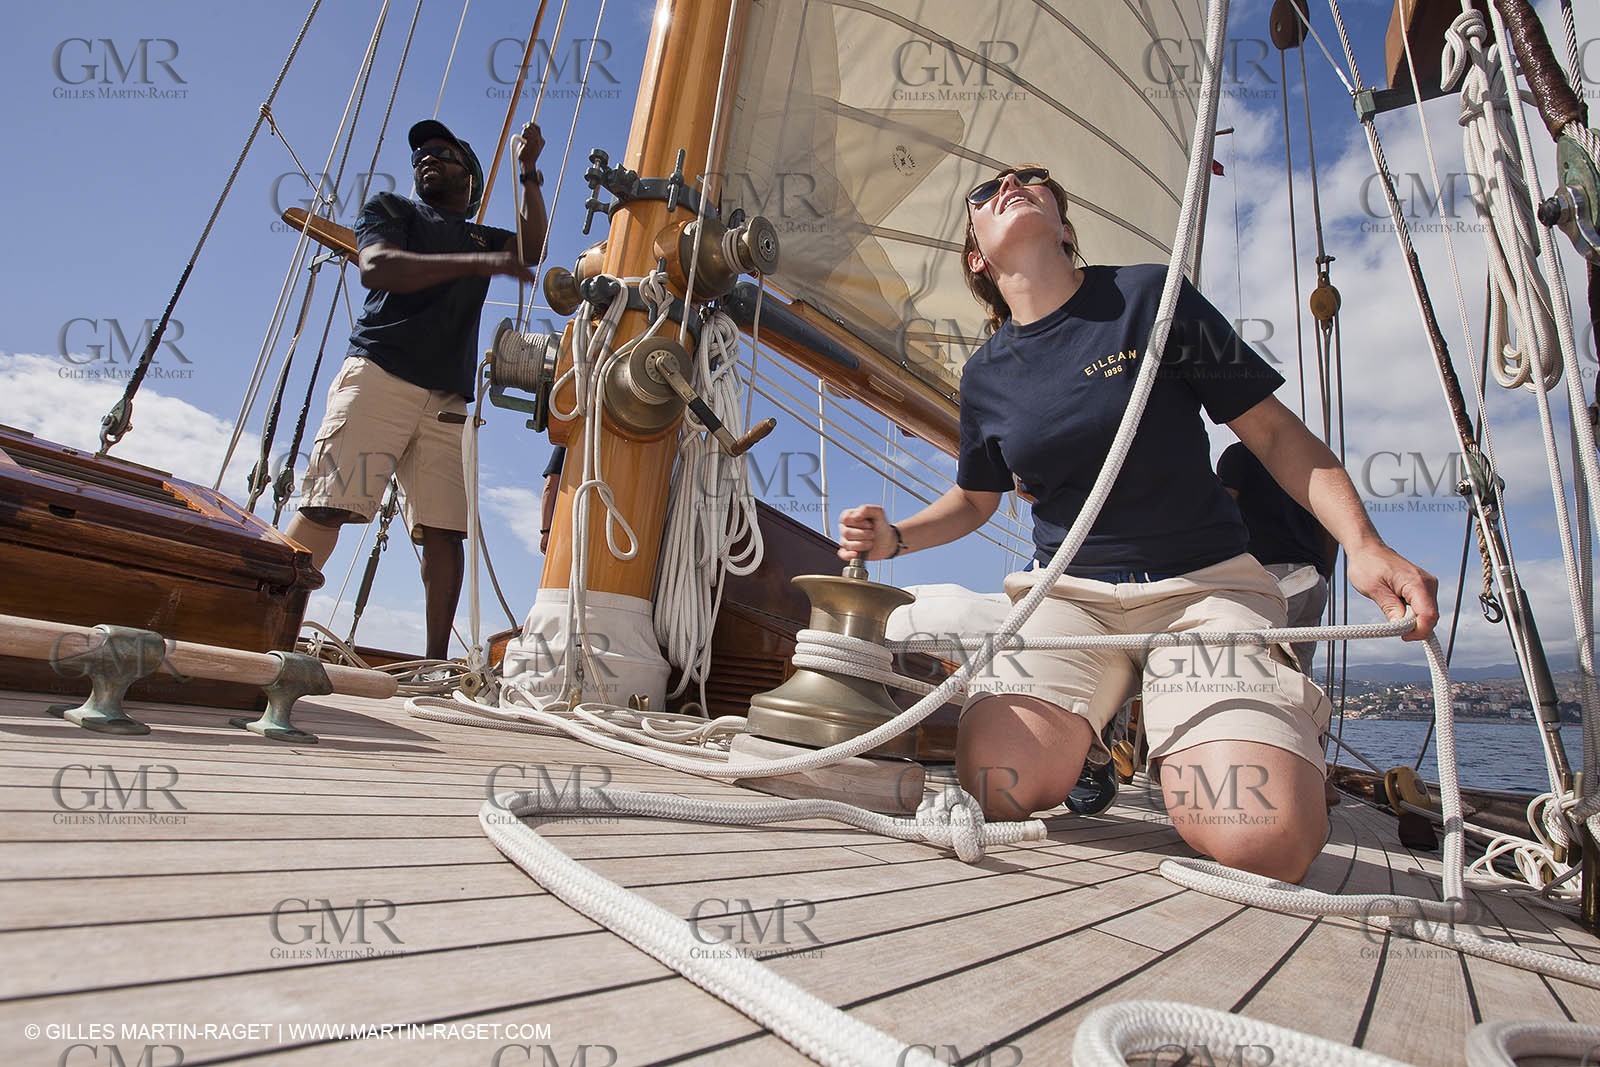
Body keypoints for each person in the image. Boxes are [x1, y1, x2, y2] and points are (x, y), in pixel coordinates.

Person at [837, 165, 1438, 883]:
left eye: (1035, 179)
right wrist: (894, 536)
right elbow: (975, 498)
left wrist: (1364, 545)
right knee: (998, 783)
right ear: (977, 256)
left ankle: (1206, 718)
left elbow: (1273, 435)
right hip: (1070, 597)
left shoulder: (1149, 298)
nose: (1013, 184)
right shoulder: (986, 377)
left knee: (1264, 835)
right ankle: (1094, 736)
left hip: (1203, 591)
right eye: (988, 190)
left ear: (1064, 225)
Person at [285, 118, 548, 661]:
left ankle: (433, 666)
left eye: (444, 152)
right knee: (326, 505)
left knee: (445, 532)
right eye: (422, 152)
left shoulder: (481, 235)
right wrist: (480, 262)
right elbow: (379, 268)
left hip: (447, 399)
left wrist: (527, 172)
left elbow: (530, 250)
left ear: (470, 179)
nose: (428, 157)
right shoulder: (392, 210)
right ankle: (269, 628)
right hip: (380, 374)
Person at [1217, 440, 1339, 672]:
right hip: (1312, 583)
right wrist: (1323, 575)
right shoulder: (1309, 459)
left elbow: (1222, 512)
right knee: (1297, 678)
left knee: (1248, 671)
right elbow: (1331, 530)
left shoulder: (1240, 454)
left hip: (1272, 579)